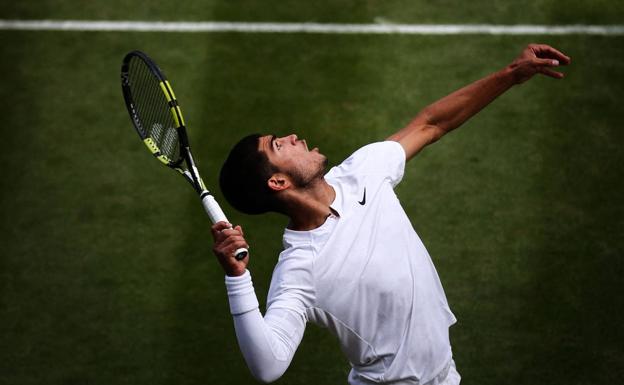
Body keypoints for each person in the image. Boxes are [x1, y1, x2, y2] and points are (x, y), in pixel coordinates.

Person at [211, 44, 570, 384]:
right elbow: (266, 366)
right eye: (278, 145)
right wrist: (237, 278)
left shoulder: (362, 171)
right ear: (278, 181)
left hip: (445, 375)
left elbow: (431, 124)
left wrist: (511, 74)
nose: (291, 136)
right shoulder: (299, 270)